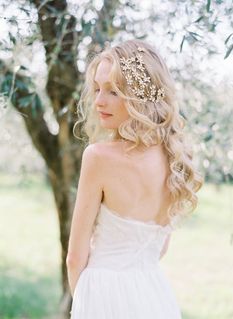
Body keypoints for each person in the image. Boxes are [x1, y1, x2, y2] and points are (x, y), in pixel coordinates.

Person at [66, 39, 204, 319]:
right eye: (97, 88)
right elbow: (160, 248)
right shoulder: (175, 159)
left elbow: (74, 258)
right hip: (154, 295)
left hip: (102, 295)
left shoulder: (98, 157)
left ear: (140, 95)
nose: (99, 101)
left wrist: (83, 303)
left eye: (113, 91)